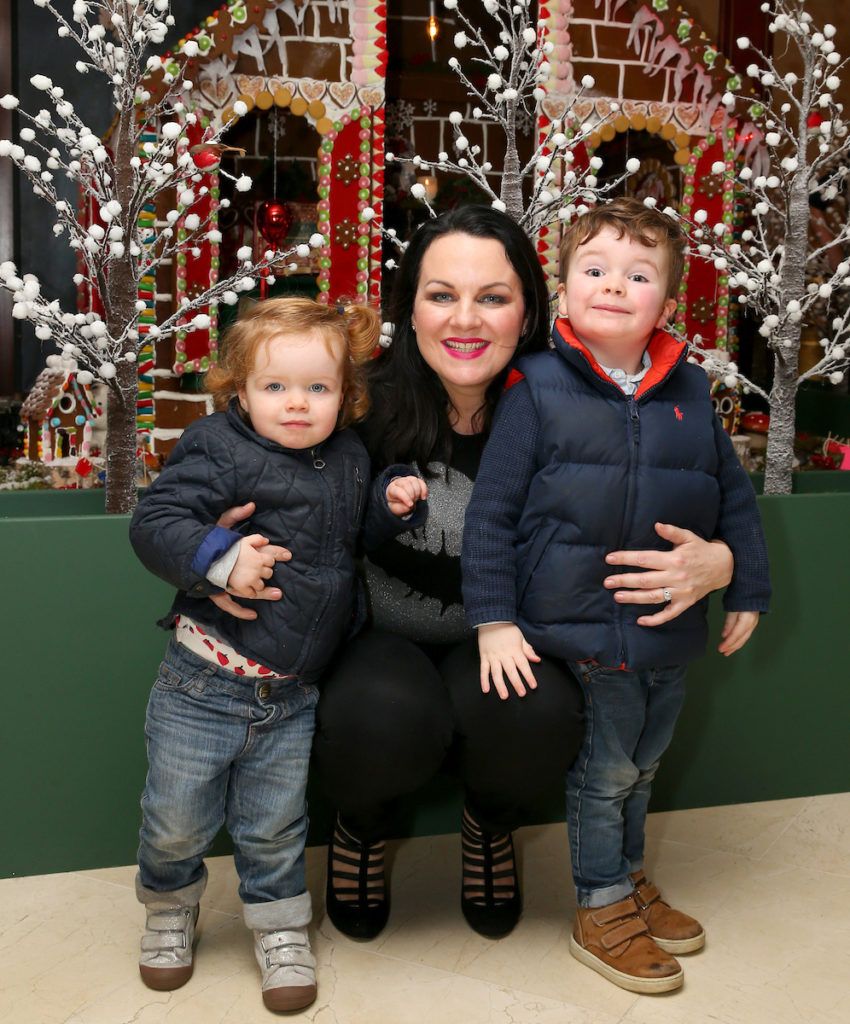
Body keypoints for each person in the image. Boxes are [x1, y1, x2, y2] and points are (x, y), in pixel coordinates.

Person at [213, 206, 737, 946]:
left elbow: (677, 483)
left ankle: (490, 825)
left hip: (511, 638)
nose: (466, 319)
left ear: (528, 307)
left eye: (492, 296)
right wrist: (213, 552)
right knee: (378, 717)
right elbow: (246, 461)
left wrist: (724, 560)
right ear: (409, 307)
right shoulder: (353, 399)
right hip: (380, 635)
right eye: (441, 295)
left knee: (537, 712)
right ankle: (362, 827)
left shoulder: (570, 403)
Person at [461, 198, 771, 992]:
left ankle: (629, 878)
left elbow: (732, 498)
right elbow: (491, 514)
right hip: (584, 631)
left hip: (668, 628)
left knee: (645, 766)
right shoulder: (535, 387)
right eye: (593, 270)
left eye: (638, 275)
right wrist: (494, 620)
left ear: (666, 304)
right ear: (562, 290)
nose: (613, 286)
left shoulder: (692, 391)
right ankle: (599, 904)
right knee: (603, 773)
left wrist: (747, 586)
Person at [128, 297, 421, 1013]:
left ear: (345, 395)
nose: (298, 405)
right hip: (204, 680)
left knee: (276, 827)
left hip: (291, 693)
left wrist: (388, 503)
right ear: (239, 390)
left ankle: (281, 926)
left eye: (318, 389)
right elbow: (156, 522)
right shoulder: (217, 447)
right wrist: (221, 559)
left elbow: (351, 538)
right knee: (177, 819)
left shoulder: (350, 457)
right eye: (276, 387)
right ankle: (169, 906)